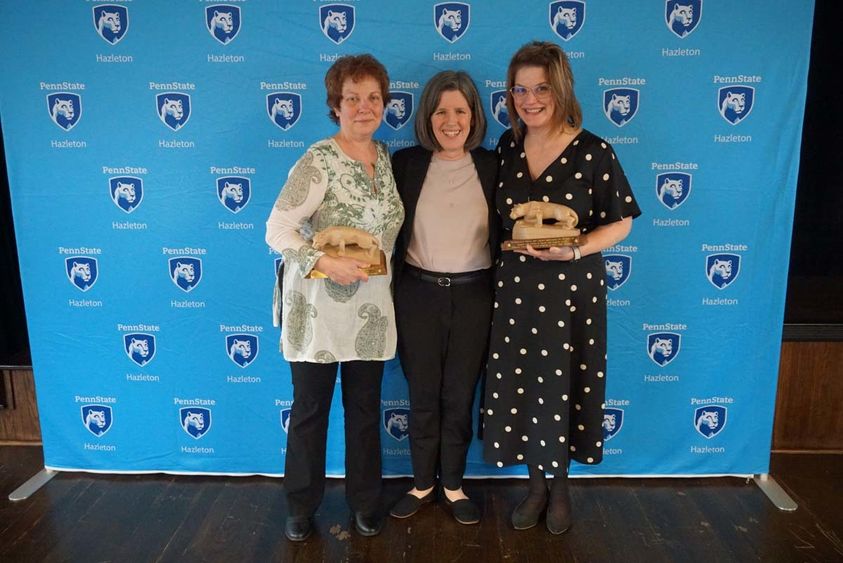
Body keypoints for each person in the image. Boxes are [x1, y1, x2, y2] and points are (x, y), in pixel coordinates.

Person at [482, 41, 641, 535]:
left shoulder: (595, 149)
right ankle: (534, 485)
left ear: (561, 88)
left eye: (541, 88)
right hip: (515, 290)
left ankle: (562, 487)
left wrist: (574, 250)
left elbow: (623, 224)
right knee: (523, 384)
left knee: (568, 381)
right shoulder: (507, 146)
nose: (530, 99)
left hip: (573, 289)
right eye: (521, 89)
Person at [265, 54, 404, 542]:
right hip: (317, 311)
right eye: (352, 98)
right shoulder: (319, 160)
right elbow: (277, 228)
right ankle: (300, 506)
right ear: (336, 106)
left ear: (384, 104)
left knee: (365, 411)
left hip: (370, 310)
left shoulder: (385, 159)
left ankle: (365, 502)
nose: (364, 107)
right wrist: (322, 262)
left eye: (373, 98)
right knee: (310, 411)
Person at [389, 71, 499, 525]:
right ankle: (422, 484)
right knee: (421, 394)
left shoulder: (495, 166)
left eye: (460, 110)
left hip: (476, 296)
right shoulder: (405, 163)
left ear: (474, 115)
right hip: (417, 293)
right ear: (427, 117)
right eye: (440, 111)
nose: (450, 121)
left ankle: (453, 485)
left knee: (459, 394)